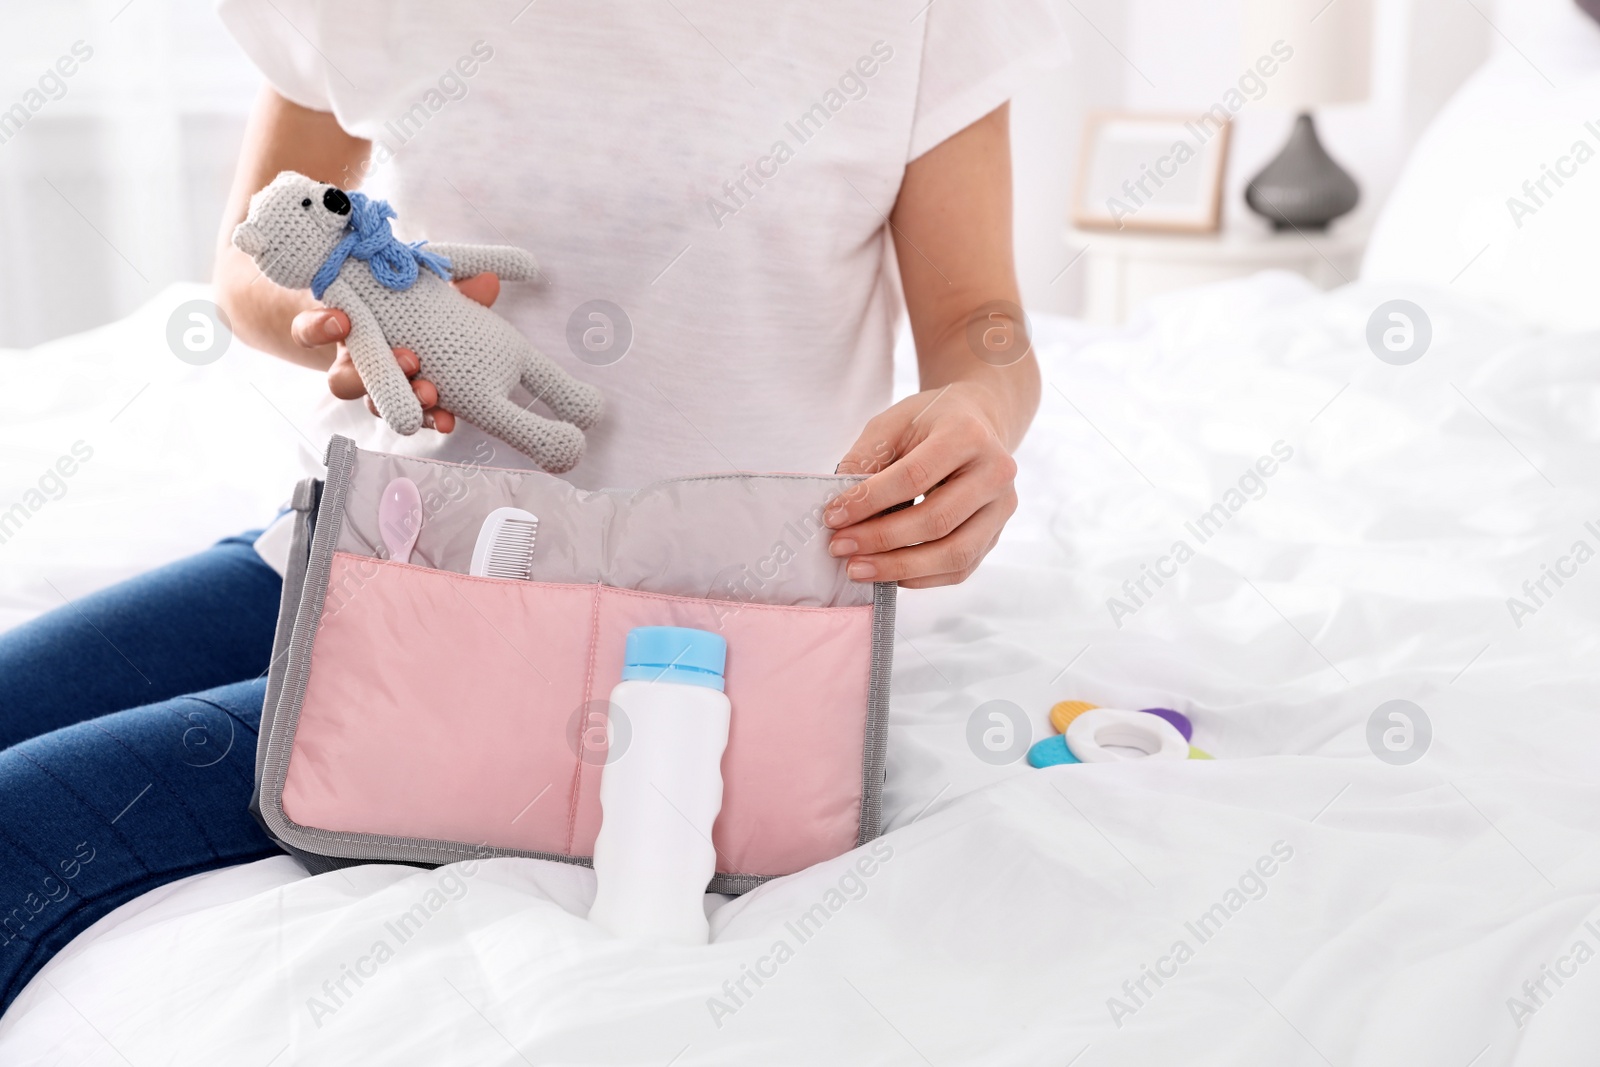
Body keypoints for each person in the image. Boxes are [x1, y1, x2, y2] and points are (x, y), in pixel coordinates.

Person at [0, 0, 1066, 1013]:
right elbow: (253, 262)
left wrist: (975, 407)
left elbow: (980, 320)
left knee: (24, 823)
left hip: (675, 635)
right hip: (372, 532)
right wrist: (325, 317)